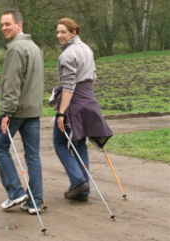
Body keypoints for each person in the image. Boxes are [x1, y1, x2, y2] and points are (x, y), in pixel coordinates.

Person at [52, 18, 113, 202]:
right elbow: (93, 78)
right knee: (79, 144)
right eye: (58, 32)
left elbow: (69, 86)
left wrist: (61, 113)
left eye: (63, 32)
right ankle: (83, 190)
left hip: (74, 103)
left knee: (60, 143)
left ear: (73, 32)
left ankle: (78, 181)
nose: (59, 36)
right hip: (88, 100)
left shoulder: (67, 55)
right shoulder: (87, 49)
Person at [0, 9, 44, 214]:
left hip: (16, 111)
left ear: (19, 24)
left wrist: (6, 112)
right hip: (33, 111)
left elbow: (12, 84)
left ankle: (15, 192)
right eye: (2, 24)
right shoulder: (35, 47)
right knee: (33, 156)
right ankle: (35, 202)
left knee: (0, 149)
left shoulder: (16, 49)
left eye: (8, 24)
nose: (4, 28)